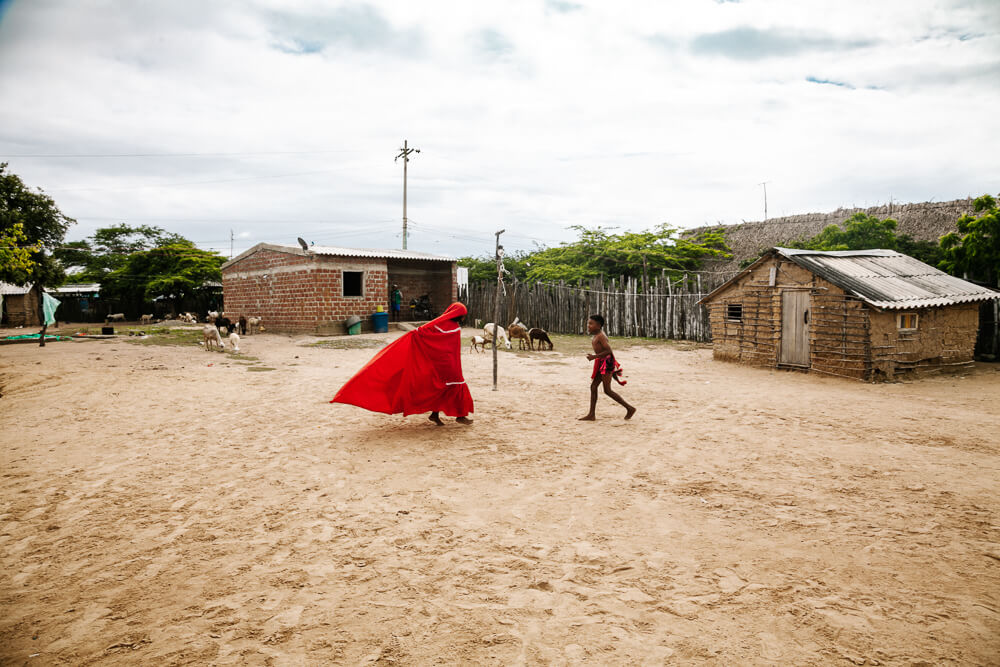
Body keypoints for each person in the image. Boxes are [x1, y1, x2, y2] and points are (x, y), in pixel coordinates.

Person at [331, 302, 473, 426]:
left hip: (444, 362)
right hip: (446, 364)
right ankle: (458, 415)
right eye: (463, 315)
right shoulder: (448, 327)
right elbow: (428, 338)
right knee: (450, 385)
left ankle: (440, 414)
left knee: (443, 387)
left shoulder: (440, 325)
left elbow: (426, 334)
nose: (464, 317)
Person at [579, 313, 636, 421]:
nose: (588, 326)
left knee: (607, 390)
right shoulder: (597, 335)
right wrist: (596, 357)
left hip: (607, 363)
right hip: (602, 362)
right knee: (593, 387)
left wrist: (594, 357)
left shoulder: (601, 336)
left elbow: (608, 351)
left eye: (591, 324)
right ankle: (591, 414)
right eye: (588, 323)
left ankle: (630, 408)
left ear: (598, 325)